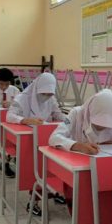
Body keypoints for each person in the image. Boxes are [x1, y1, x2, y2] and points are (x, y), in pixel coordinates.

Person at [7, 72, 66, 212]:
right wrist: (26, 120)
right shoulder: (23, 98)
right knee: (37, 169)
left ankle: (54, 192)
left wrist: (69, 119)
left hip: (47, 137)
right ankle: (33, 201)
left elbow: (57, 113)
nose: (46, 97)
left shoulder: (50, 99)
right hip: (29, 139)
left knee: (53, 168)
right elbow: (10, 116)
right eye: (44, 94)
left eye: (50, 94)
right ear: (37, 89)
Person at [50, 89, 112, 154]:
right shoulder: (75, 114)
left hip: (104, 161)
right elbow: (54, 137)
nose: (101, 127)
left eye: (106, 124)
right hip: (77, 161)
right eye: (97, 122)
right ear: (90, 111)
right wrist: (78, 146)